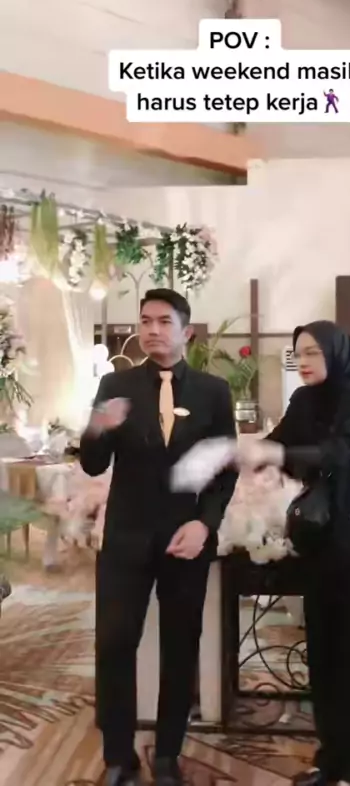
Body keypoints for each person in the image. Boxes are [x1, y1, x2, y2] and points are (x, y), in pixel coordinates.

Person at [80, 288, 237, 786]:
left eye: (164, 321)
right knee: (114, 643)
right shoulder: (116, 384)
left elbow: (224, 471)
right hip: (125, 537)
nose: (151, 330)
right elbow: (93, 464)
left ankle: (168, 753)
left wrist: (205, 523)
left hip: (186, 538)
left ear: (186, 331)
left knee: (180, 646)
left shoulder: (214, 391)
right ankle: (118, 756)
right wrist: (98, 428)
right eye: (145, 321)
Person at [237, 321, 350, 786]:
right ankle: (330, 761)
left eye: (313, 352)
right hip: (321, 543)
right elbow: (279, 443)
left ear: (337, 353)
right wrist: (242, 450)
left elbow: (335, 453)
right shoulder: (304, 401)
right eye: (298, 354)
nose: (303, 362)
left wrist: (278, 456)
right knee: (324, 662)